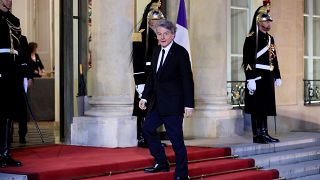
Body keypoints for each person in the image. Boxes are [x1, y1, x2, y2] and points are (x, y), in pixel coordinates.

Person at [139, 19, 194, 180]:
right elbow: (152, 77)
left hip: (173, 105)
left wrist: (189, 104)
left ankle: (182, 174)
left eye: (166, 34)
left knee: (176, 141)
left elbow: (187, 80)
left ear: (173, 35)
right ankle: (161, 162)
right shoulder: (156, 51)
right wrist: (144, 97)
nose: (162, 37)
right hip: (157, 103)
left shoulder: (181, 53)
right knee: (148, 128)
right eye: (159, 34)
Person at [242, 1, 282, 144]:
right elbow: (247, 60)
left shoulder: (270, 38)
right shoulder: (251, 37)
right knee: (256, 106)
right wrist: (250, 79)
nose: (269, 23)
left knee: (265, 106)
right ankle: (257, 134)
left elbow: (274, 58)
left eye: (269, 20)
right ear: (259, 20)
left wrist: (277, 75)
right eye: (266, 20)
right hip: (257, 75)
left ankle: (264, 132)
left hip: (268, 76)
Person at [132, 0, 165, 147]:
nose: (158, 24)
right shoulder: (140, 35)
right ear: (150, 22)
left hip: (156, 78)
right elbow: (138, 60)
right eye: (155, 21)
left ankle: (152, 136)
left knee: (154, 108)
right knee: (143, 109)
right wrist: (139, 82)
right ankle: (142, 137)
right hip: (144, 77)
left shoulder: (160, 36)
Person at [0, 0, 23, 167]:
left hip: (12, 72)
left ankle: (5, 153)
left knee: (8, 113)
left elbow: (19, 47)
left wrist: (22, 71)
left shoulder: (15, 20)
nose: (9, 1)